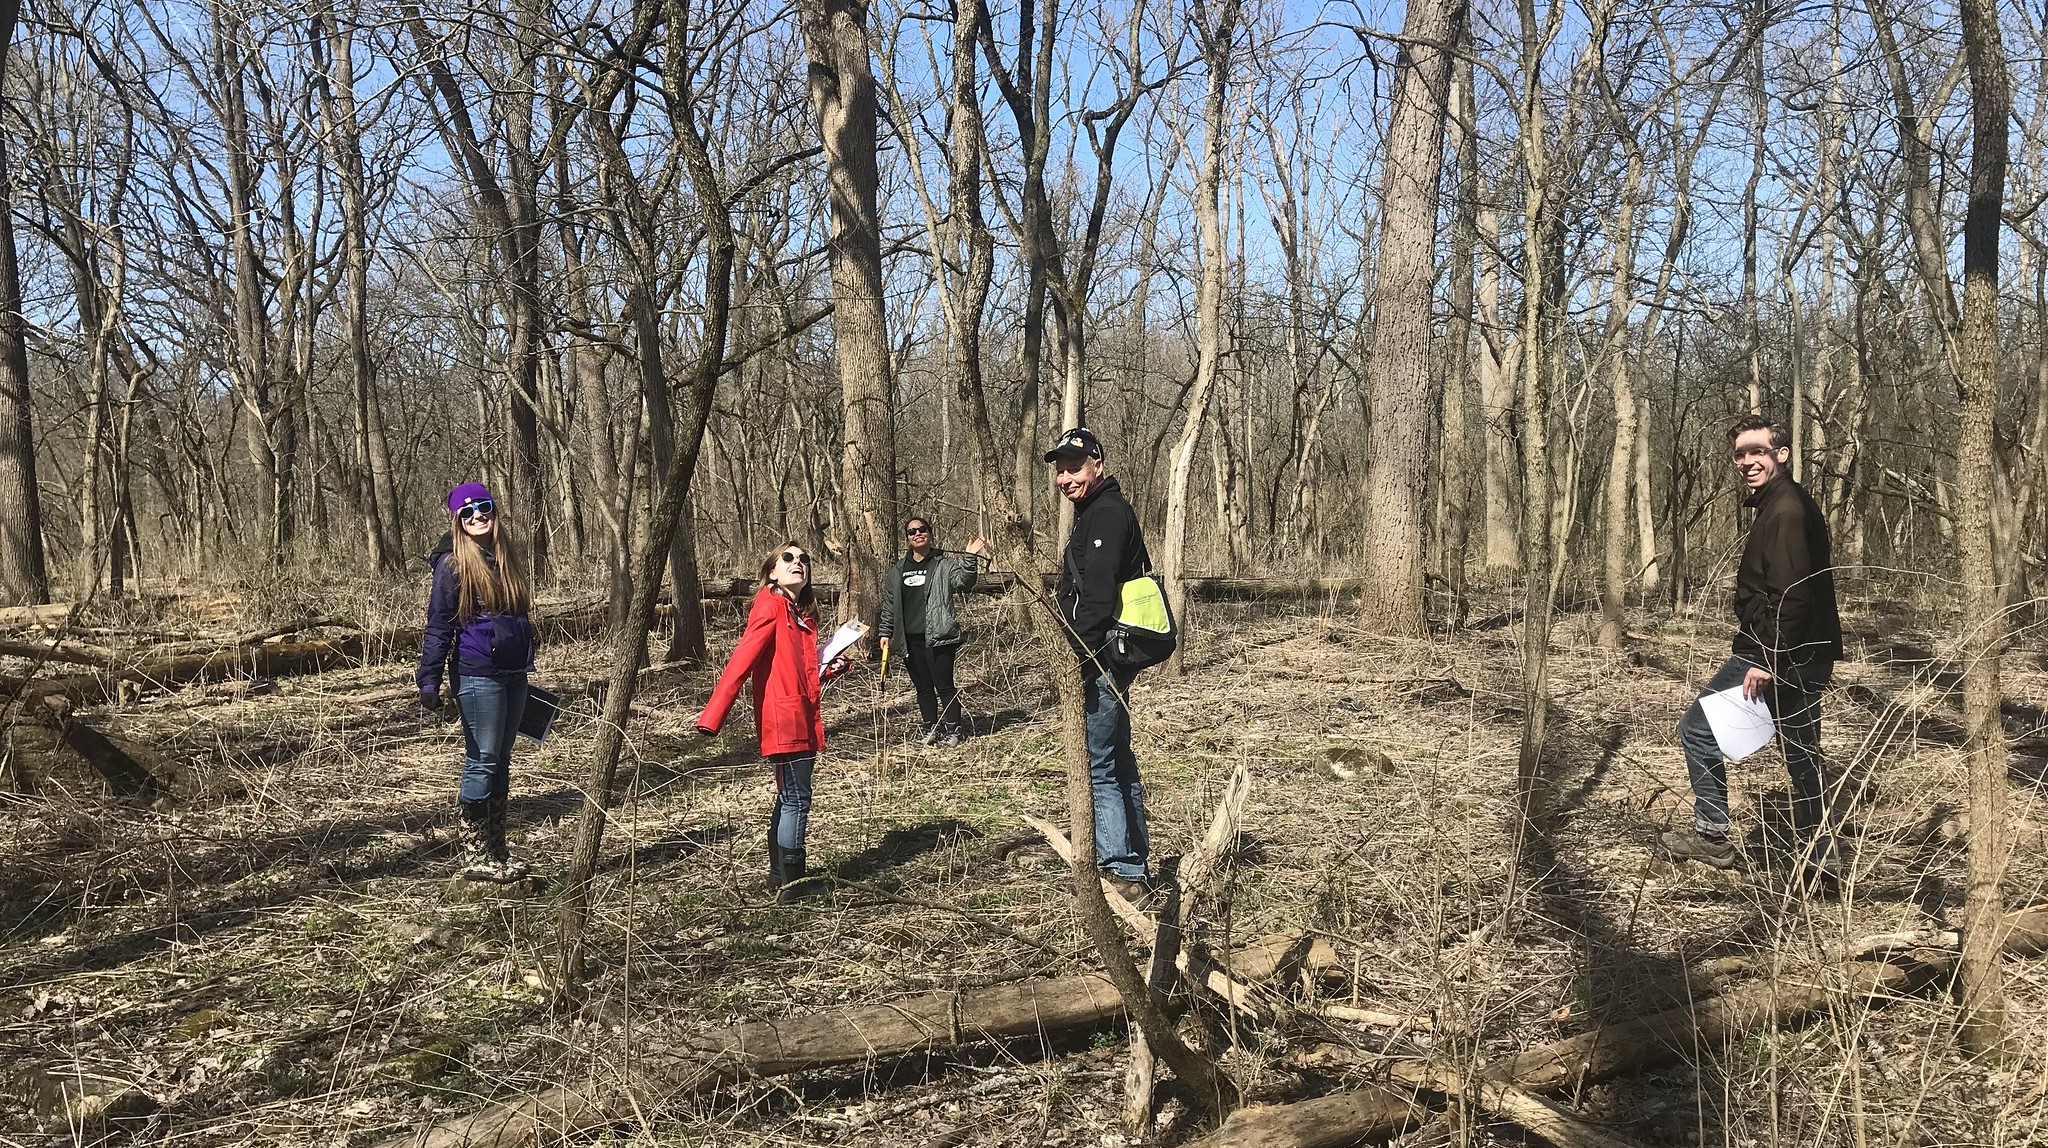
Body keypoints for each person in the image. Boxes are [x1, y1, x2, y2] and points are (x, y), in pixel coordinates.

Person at [1662, 415, 1844, 882]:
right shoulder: (1786, 503)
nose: (1747, 461)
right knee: (1802, 752)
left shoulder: (1785, 511)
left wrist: (1766, 658)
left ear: (1781, 454)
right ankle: (1823, 861)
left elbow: (1793, 593)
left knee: (1698, 730)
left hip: (1776, 651)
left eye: (1757, 452)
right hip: (1808, 653)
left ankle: (1713, 836)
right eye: (1741, 453)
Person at [697, 541, 851, 902]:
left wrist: (826, 668)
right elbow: (741, 660)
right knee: (797, 798)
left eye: (803, 559)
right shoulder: (769, 606)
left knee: (788, 797)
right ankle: (793, 887)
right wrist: (713, 716)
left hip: (799, 712)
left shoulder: (794, 611)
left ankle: (779, 875)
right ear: (772, 571)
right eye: (788, 558)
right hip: (785, 719)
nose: (798, 563)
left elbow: (792, 667)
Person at [1046, 427, 1156, 903]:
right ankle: (1132, 860)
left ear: (1098, 464)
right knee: (1118, 758)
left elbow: (1098, 598)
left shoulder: (1107, 514)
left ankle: (1123, 871)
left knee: (1103, 764)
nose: (1065, 477)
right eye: (1059, 469)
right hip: (1105, 652)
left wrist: (1078, 654)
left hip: (1102, 656)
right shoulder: (1093, 512)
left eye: (1074, 467)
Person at [418, 483, 539, 883]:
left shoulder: (505, 558)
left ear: (494, 510)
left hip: (514, 673)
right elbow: (439, 626)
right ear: (456, 522)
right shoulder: (452, 565)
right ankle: (474, 853)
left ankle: (497, 849)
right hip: (476, 675)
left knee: (502, 760)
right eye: (466, 514)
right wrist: (429, 680)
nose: (476, 517)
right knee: (483, 759)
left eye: (483, 508)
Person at [878, 516, 989, 747]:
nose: (917, 534)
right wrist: (886, 632)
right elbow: (890, 604)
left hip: (940, 636)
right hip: (909, 639)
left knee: (944, 685)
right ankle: (930, 728)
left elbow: (964, 583)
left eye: (922, 529)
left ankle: (953, 730)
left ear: (930, 533)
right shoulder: (898, 570)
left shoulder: (942, 564)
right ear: (907, 539)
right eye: (911, 532)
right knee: (923, 688)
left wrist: (970, 558)